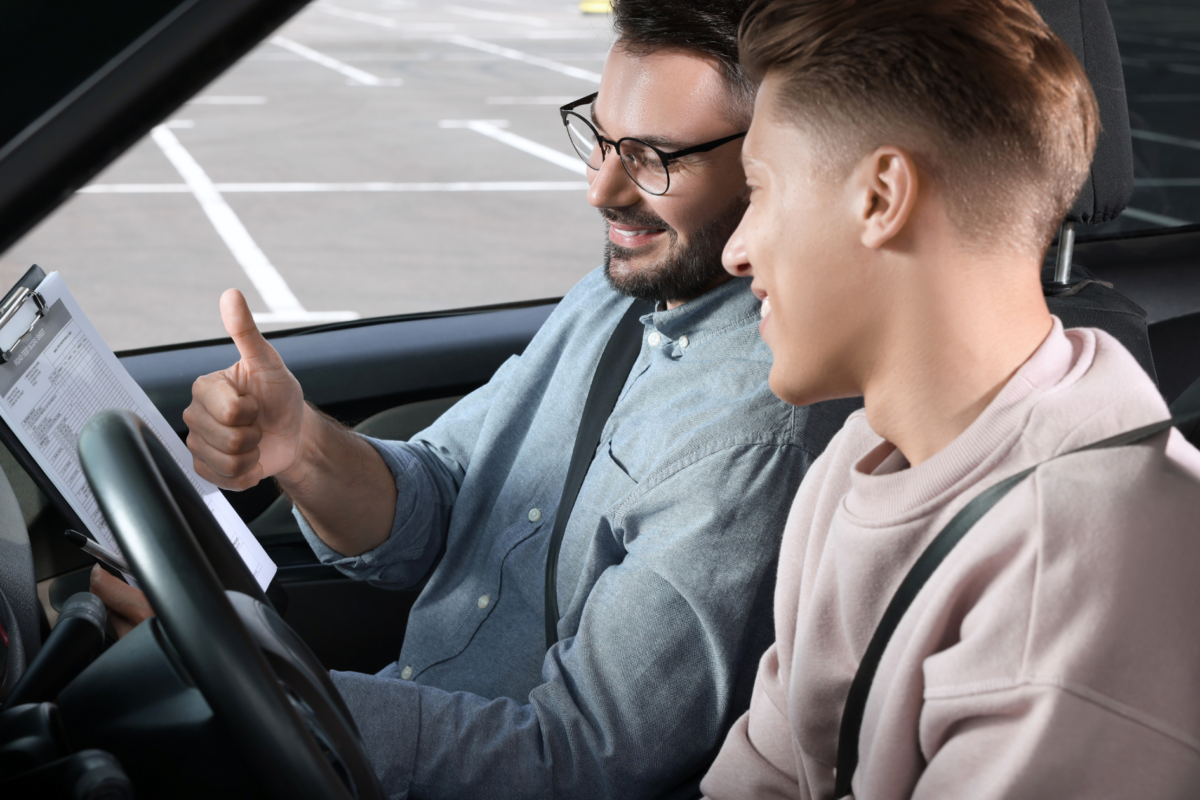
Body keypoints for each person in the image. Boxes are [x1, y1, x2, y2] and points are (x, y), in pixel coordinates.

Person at [91, 0, 859, 796]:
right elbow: (445, 496)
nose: (601, 189)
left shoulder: (753, 437)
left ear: (773, 159)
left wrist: (263, 685)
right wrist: (301, 447)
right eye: (598, 138)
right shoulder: (613, 299)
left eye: (655, 158)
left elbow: (583, 761)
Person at [699, 0, 1200, 797]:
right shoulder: (857, 458)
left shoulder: (1078, 593)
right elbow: (763, 774)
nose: (734, 249)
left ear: (881, 196)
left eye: (759, 189)